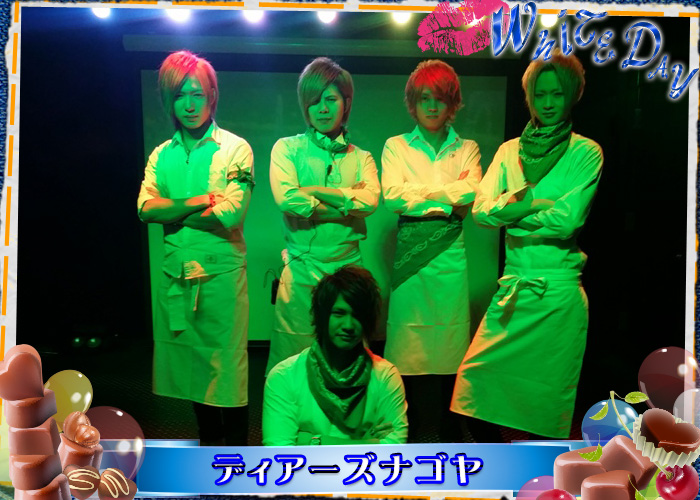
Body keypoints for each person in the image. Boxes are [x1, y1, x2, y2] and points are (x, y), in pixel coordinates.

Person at [451, 51, 603, 441]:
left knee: (543, 410)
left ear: (573, 95)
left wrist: (512, 211)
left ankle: (531, 472)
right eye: (539, 94)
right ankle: (500, 463)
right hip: (514, 289)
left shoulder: (586, 151)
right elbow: (480, 212)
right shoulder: (508, 151)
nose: (547, 103)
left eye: (556, 94)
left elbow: (568, 221)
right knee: (472, 387)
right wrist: (533, 204)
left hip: (557, 293)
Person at [137, 51, 254, 446]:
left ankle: (235, 454)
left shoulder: (235, 148)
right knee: (193, 373)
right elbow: (144, 209)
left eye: (197, 94)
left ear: (212, 96)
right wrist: (199, 201)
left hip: (220, 280)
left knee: (228, 372)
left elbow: (231, 214)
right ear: (169, 100)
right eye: (180, 95)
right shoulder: (161, 153)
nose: (189, 104)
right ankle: (208, 448)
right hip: (178, 277)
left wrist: (170, 213)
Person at [381, 60, 482, 442]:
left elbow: (470, 193)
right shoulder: (396, 146)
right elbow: (393, 197)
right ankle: (403, 428)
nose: (432, 106)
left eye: (440, 98)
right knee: (405, 348)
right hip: (411, 262)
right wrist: (445, 200)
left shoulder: (467, 148)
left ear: (452, 103)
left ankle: (449, 428)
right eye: (425, 98)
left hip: (450, 257)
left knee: (451, 348)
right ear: (413, 102)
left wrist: (420, 195)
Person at [267, 57, 380, 374]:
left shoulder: (362, 158)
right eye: (314, 101)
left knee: (347, 360)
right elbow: (288, 201)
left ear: (347, 103)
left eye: (330, 99)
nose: (322, 108)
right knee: (294, 364)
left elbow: (369, 202)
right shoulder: (286, 149)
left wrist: (314, 190)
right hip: (302, 270)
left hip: (349, 270)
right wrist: (347, 205)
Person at [263, 265, 408, 445]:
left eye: (358, 315)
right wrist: (368, 443)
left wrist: (312, 441)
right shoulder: (284, 376)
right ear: (323, 316)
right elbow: (279, 452)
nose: (348, 325)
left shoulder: (385, 376)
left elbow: (395, 448)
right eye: (339, 313)